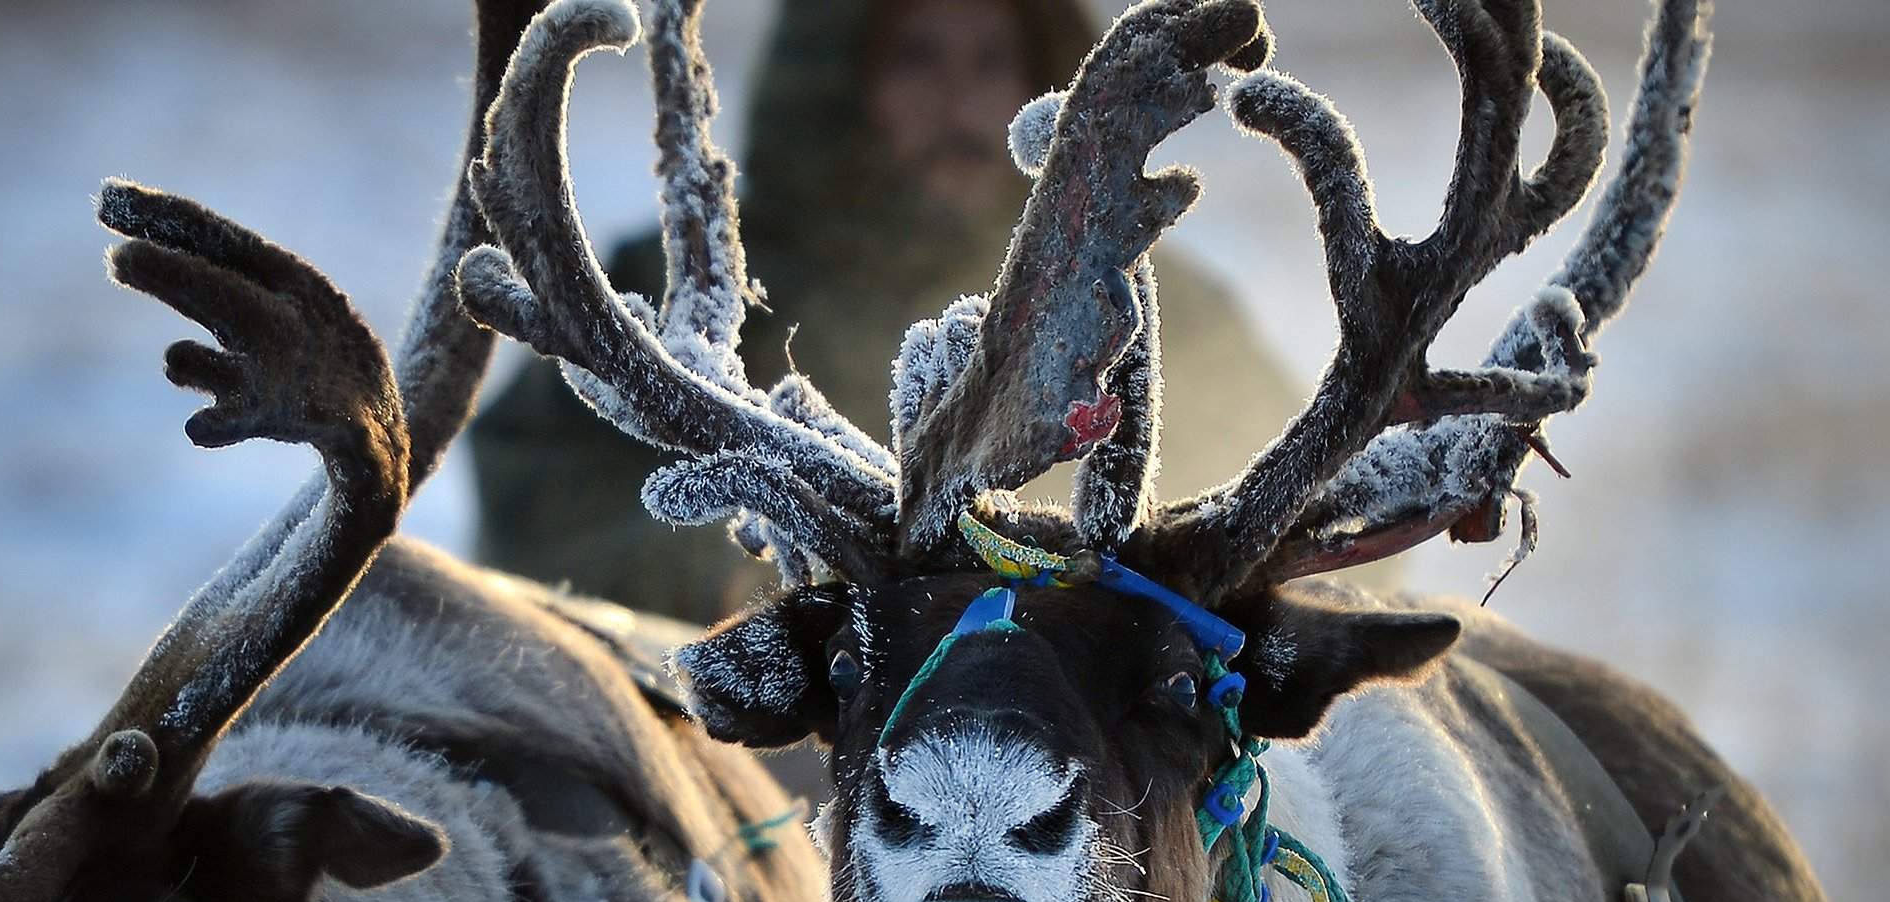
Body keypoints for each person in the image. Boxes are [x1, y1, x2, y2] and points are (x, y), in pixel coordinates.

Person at [470, 0, 1306, 625]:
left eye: (991, 63)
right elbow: (533, 497)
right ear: (841, 79)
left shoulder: (1151, 312)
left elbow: (1293, 501)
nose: (959, 102)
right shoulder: (684, 295)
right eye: (917, 59)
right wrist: (739, 574)